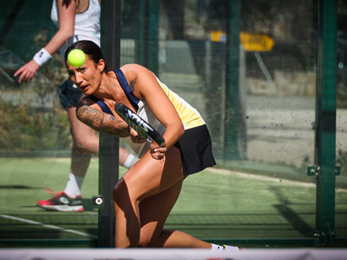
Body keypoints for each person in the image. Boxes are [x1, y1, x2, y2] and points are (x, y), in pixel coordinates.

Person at [65, 40, 240, 250]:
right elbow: (115, 125)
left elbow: (175, 125)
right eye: (72, 74)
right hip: (163, 147)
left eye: (82, 70)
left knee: (122, 192)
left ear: (100, 65)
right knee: (146, 239)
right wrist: (128, 128)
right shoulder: (85, 109)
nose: (78, 79)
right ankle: (226, 252)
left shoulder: (134, 76)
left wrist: (157, 147)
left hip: (188, 135)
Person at [13, 0, 138, 212]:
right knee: (80, 140)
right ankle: (72, 194)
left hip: (83, 74)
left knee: (84, 140)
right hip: (93, 68)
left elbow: (66, 31)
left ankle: (139, 167)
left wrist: (36, 61)